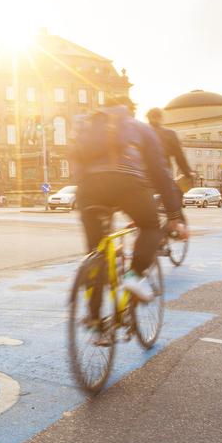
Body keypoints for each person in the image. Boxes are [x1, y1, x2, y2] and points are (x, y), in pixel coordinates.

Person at [74, 98, 187, 304]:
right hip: (126, 183)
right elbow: (160, 173)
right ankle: (133, 276)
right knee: (151, 226)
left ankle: (96, 326)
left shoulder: (88, 125)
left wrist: (83, 191)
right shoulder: (139, 128)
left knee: (95, 252)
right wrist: (173, 214)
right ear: (130, 110)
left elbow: (76, 159)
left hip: (88, 188)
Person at [146, 107, 194, 195]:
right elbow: (179, 157)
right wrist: (187, 173)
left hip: (143, 177)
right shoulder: (169, 134)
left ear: (148, 118)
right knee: (173, 204)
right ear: (161, 118)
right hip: (163, 176)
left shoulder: (141, 132)